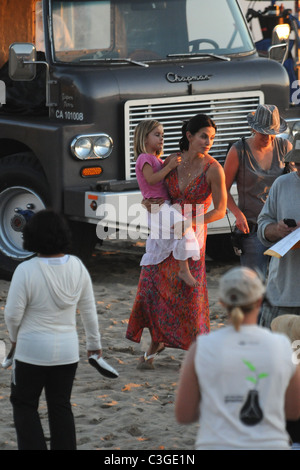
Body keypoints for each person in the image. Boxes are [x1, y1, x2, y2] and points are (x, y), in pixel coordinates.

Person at [126, 113, 227, 368]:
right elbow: (151, 186)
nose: (208, 142)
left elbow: (220, 210)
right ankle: (154, 345)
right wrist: (145, 202)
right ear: (189, 136)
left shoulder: (214, 169)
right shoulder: (171, 160)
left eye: (212, 138)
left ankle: (200, 356)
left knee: (188, 299)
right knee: (152, 289)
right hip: (164, 231)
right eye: (204, 136)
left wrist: (191, 222)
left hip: (191, 236)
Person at [4, 209, 102, 450]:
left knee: (25, 404)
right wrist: (93, 346)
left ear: (30, 236)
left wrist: (15, 339)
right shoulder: (77, 266)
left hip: (31, 352)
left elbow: (12, 315)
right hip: (67, 352)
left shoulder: (26, 270)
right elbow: (89, 311)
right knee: (60, 406)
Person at [175, 266, 300, 450]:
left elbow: (184, 415)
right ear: (259, 301)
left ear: (222, 302)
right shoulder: (281, 345)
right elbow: (293, 410)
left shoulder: (202, 348)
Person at [224, 104, 292, 279]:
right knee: (254, 287)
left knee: (283, 283)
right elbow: (222, 189)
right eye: (263, 133)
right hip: (252, 228)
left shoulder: (285, 147)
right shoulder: (238, 150)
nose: (268, 138)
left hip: (282, 227)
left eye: (272, 134)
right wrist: (237, 214)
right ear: (253, 129)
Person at [134, 119, 201, 287]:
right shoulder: (144, 158)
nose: (161, 139)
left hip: (162, 206)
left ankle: (160, 276)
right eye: (157, 135)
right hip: (158, 206)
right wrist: (169, 167)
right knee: (183, 228)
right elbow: (150, 179)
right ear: (144, 138)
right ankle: (183, 269)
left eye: (162, 135)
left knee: (165, 240)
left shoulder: (156, 159)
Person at [257, 132, 300, 329]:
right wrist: (277, 229)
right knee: (277, 357)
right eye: (296, 164)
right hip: (282, 292)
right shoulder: (281, 184)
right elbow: (263, 226)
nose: (299, 169)